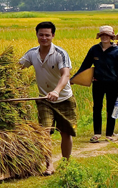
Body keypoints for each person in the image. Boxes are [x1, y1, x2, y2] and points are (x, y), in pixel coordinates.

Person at [19, 21, 77, 176]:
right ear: (37, 35)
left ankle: (66, 162)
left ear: (53, 36)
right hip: (44, 99)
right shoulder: (32, 53)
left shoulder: (60, 53)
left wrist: (57, 91)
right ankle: (49, 165)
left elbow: (65, 74)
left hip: (63, 98)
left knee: (66, 133)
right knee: (44, 132)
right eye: (41, 35)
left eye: (47, 35)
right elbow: (17, 66)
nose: (44, 38)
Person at [76, 25, 118, 143]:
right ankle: (97, 134)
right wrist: (74, 78)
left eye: (107, 35)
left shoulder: (116, 51)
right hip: (97, 83)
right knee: (97, 108)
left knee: (111, 109)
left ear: (111, 37)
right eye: (102, 35)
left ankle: (109, 134)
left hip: (112, 83)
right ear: (100, 37)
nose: (104, 37)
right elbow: (85, 65)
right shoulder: (94, 50)